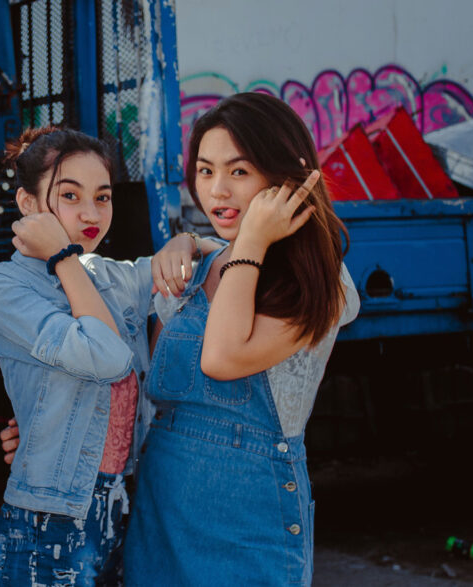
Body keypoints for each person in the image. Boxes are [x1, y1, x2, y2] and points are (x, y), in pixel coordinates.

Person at [124, 92, 360, 586]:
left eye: (239, 171)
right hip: (162, 509)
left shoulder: (322, 284)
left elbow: (223, 358)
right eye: (205, 171)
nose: (217, 191)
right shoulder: (193, 270)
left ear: (285, 178)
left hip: (250, 520)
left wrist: (250, 240)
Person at [0, 127, 160, 586]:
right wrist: (63, 257)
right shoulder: (0, 285)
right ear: (28, 203)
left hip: (126, 510)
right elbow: (107, 357)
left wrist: (186, 243)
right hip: (51, 520)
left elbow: (203, 265)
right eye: (70, 196)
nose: (91, 213)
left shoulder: (113, 279)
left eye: (103, 197)